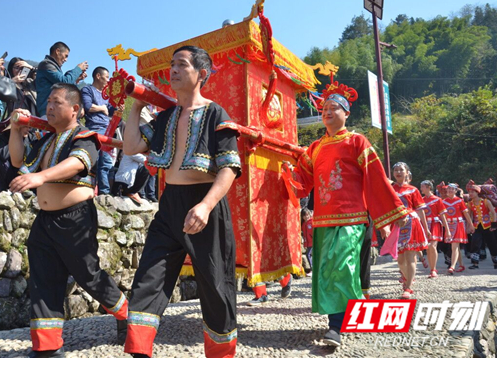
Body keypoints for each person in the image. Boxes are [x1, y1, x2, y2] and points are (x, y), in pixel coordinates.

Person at [123, 46, 241, 359]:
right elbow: (131, 145)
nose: (173, 70)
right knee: (149, 276)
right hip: (169, 205)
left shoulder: (217, 114)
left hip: (203, 204)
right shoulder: (164, 118)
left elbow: (229, 167)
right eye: (172, 64)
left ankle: (221, 354)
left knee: (215, 286)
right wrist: (134, 108)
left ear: (202, 74)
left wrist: (205, 205)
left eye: (182, 64)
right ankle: (139, 352)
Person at [8, 84, 128, 359]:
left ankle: (124, 312)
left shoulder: (85, 136)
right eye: (47, 101)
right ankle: (47, 347)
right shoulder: (46, 140)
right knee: (43, 280)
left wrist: (40, 177)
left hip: (75, 219)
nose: (48, 106)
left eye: (56, 102)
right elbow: (17, 159)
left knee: (88, 275)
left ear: (75, 109)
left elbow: (78, 162)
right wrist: (16, 130)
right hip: (44, 221)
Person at [282, 93, 410, 349]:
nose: (327, 112)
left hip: (352, 218)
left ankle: (336, 326)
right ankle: (339, 320)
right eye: (324, 109)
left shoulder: (357, 142)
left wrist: (394, 212)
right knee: (328, 271)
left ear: (346, 113)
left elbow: (376, 177)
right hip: (323, 220)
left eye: (334, 108)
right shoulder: (315, 147)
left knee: (342, 267)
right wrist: (287, 172)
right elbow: (304, 182)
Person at [391, 163, 431, 299]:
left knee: (410, 257)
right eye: (395, 170)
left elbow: (420, 210)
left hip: (412, 225)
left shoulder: (413, 190)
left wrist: (426, 228)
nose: (398, 172)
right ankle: (408, 278)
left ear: (407, 172)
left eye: (401, 170)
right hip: (396, 226)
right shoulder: (390, 189)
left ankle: (408, 288)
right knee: (400, 260)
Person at [81, 67, 116, 195]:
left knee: (105, 162)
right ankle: (104, 193)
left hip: (108, 129)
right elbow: (87, 105)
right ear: (98, 76)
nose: (108, 80)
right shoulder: (87, 89)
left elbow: (112, 110)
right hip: (95, 127)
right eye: (106, 77)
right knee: (101, 161)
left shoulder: (106, 94)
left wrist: (118, 104)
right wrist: (102, 108)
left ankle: (102, 191)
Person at [36, 42, 89, 118]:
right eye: (66, 56)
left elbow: (64, 87)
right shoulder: (46, 64)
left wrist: (76, 79)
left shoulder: (53, 66)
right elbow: (64, 82)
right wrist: (78, 69)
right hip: (48, 111)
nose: (66, 60)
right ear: (57, 51)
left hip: (55, 110)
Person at [421, 180, 452, 278]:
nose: (421, 189)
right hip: (425, 224)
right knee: (428, 248)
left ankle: (433, 269)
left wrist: (447, 230)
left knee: (432, 246)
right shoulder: (421, 200)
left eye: (422, 187)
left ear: (428, 187)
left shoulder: (437, 200)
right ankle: (431, 268)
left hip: (435, 224)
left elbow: (443, 216)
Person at [443, 183, 475, 275]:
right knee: (455, 247)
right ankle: (461, 265)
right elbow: (443, 215)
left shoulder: (460, 201)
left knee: (454, 245)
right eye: (449, 189)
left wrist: (471, 225)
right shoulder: (444, 202)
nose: (450, 190)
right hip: (449, 224)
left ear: (456, 191)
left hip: (458, 224)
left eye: (452, 189)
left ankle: (452, 266)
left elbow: (466, 214)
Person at [466, 182, 497, 270]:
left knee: (492, 244)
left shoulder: (486, 201)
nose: (470, 194)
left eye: (473, 192)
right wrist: (469, 226)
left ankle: (495, 262)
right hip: (476, 226)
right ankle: (475, 263)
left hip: (488, 226)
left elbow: (493, 213)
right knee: (475, 243)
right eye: (469, 192)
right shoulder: (470, 204)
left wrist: (494, 225)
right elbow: (470, 216)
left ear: (477, 193)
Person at [302, 208, 314, 277]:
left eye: (307, 215)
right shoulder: (303, 224)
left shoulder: (312, 222)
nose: (306, 217)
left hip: (313, 242)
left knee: (308, 254)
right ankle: (312, 269)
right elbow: (304, 235)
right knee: (308, 255)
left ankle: (312, 269)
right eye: (304, 215)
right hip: (308, 243)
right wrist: (305, 243)